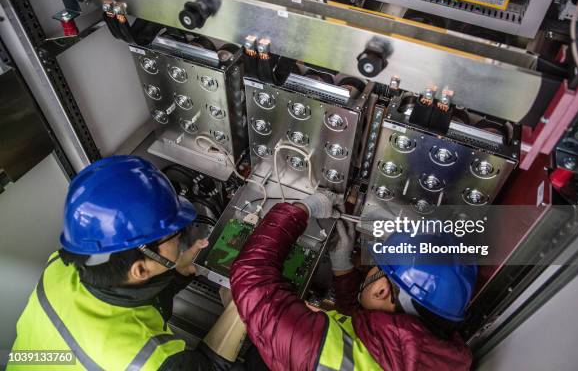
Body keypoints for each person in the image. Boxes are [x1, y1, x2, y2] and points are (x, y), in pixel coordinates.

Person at [8, 155, 236, 371]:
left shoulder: (58, 267)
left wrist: (177, 273)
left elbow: (131, 299)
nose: (181, 236)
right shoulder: (147, 361)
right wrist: (242, 307)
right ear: (139, 269)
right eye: (175, 234)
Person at [230, 193, 474, 371]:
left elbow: (251, 278)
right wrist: (343, 270)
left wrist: (301, 210)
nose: (367, 270)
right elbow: (368, 335)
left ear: (381, 289)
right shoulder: (434, 354)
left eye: (374, 267)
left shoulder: (319, 354)